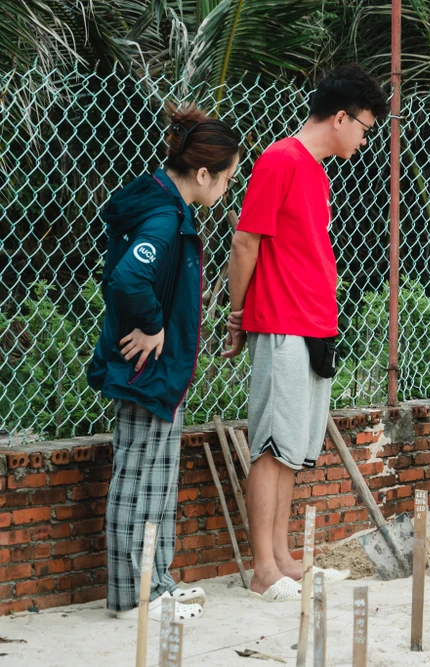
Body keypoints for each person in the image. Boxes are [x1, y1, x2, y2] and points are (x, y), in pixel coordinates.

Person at [222, 64, 389, 602]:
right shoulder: (281, 159)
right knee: (271, 445)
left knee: (294, 447)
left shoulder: (316, 169)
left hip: (315, 323)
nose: (365, 138)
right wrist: (237, 315)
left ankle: (283, 556)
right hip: (282, 322)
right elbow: (246, 241)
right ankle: (262, 568)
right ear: (339, 117)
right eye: (364, 126)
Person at [87, 104, 241, 622]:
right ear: (202, 174)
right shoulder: (162, 214)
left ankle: (158, 582)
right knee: (139, 476)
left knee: (157, 476)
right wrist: (152, 325)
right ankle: (136, 595)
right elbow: (129, 278)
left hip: (163, 370)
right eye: (226, 179)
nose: (226, 190)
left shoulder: (168, 205)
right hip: (145, 366)